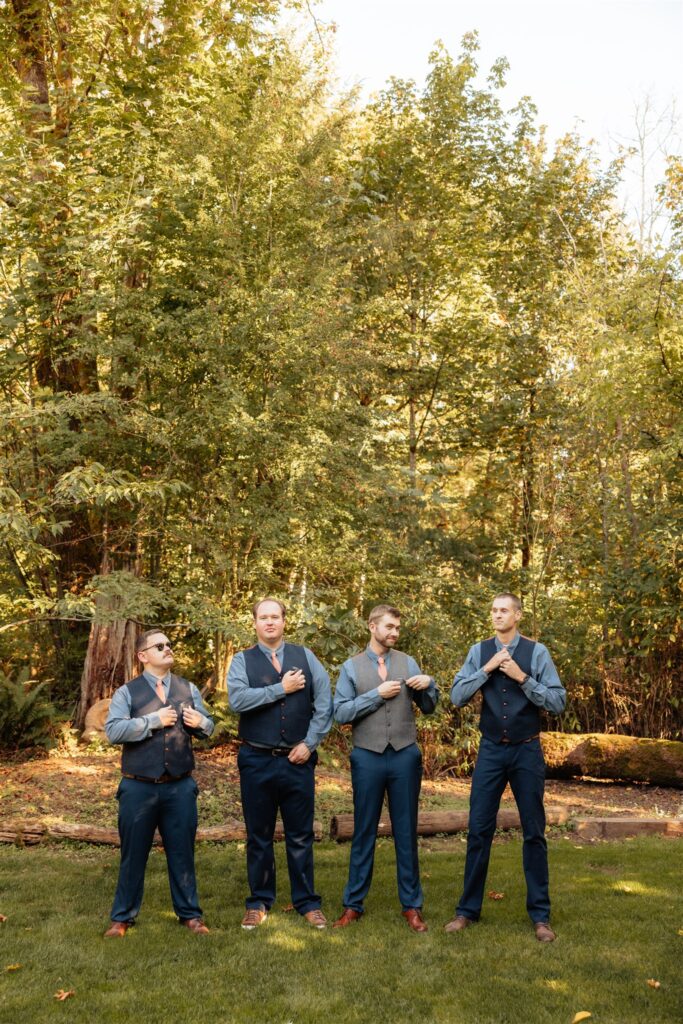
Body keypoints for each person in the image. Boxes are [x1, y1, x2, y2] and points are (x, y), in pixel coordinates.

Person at [446, 593, 566, 942]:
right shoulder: (479, 651)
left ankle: (540, 917)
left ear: (518, 615)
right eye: (494, 611)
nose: (497, 615)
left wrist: (522, 677)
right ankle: (467, 911)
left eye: (503, 610)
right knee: (478, 829)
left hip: (526, 751)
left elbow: (558, 702)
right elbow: (456, 696)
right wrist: (486, 669)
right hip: (490, 752)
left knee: (534, 832)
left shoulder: (536, 652)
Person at [227, 598, 333, 930]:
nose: (270, 622)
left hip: (297, 761)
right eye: (263, 617)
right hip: (256, 759)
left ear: (285, 621)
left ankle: (307, 902)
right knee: (258, 835)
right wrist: (280, 688)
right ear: (255, 623)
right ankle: (258, 902)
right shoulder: (241, 660)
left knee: (300, 835)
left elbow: (325, 702)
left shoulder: (306, 656)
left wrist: (309, 742)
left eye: (275, 616)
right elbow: (238, 700)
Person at [332, 604, 438, 933]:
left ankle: (412, 906)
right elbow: (341, 713)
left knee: (406, 831)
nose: (394, 633)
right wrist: (375, 695)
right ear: (371, 626)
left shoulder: (408, 662)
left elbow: (429, 707)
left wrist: (429, 686)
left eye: (397, 628)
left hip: (405, 754)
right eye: (389, 627)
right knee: (364, 831)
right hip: (367, 756)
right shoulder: (351, 667)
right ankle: (353, 905)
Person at [104, 628, 214, 937]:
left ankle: (190, 915)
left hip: (180, 786)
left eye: (169, 644)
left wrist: (201, 723)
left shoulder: (187, 688)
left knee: (183, 853)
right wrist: (153, 721)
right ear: (143, 656)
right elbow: (113, 731)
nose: (168, 649)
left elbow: (209, 726)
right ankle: (122, 918)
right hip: (138, 787)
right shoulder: (128, 692)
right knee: (132, 854)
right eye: (159, 645)